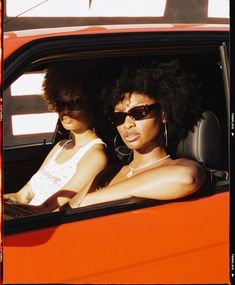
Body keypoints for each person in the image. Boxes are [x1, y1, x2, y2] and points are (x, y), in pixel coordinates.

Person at [65, 59, 206, 208]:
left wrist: (94, 199)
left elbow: (186, 178)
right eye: (119, 117)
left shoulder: (180, 166)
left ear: (163, 114)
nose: (127, 124)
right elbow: (70, 208)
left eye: (139, 112)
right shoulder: (109, 172)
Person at [4, 63, 108, 213]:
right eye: (60, 103)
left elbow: (46, 210)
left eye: (75, 103)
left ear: (93, 105)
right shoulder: (61, 146)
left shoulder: (95, 156)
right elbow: (22, 195)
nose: (65, 110)